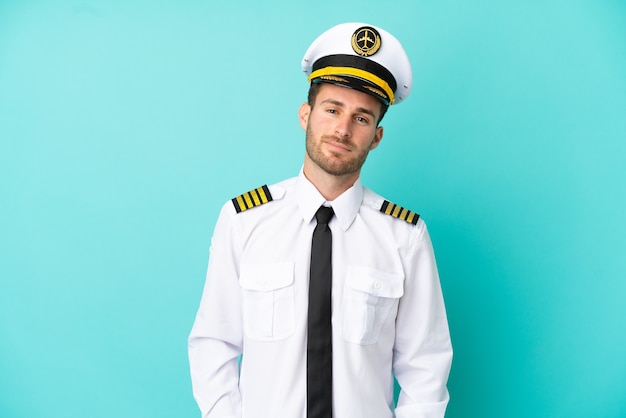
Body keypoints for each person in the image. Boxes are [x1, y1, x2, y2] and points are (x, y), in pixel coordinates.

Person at [188, 22, 452, 418]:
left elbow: (426, 366)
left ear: (376, 137)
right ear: (305, 114)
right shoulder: (244, 221)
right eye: (332, 110)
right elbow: (214, 345)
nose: (343, 130)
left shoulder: (404, 236)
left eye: (361, 118)